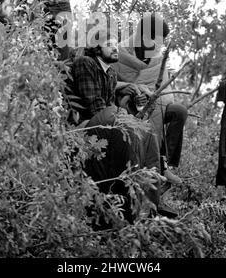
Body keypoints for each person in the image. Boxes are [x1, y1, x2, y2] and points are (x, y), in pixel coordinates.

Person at [69, 30, 178, 224]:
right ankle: (131, 196)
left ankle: (152, 202)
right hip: (87, 122)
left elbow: (112, 102)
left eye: (115, 44)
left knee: (147, 131)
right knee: (128, 127)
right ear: (96, 48)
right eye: (108, 44)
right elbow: (95, 105)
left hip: (107, 118)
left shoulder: (110, 73)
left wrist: (132, 105)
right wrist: (124, 119)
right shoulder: (86, 63)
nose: (115, 48)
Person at [113, 13, 188, 186]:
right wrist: (131, 89)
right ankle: (151, 167)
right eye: (156, 41)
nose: (159, 46)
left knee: (179, 111)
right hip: (127, 105)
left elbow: (165, 90)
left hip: (155, 104)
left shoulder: (156, 59)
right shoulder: (119, 52)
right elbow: (110, 81)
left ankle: (164, 164)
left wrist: (151, 95)